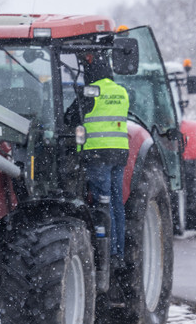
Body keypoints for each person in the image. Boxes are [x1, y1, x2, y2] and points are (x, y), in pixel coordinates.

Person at [66, 52, 130, 262]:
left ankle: (107, 250)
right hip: (119, 153)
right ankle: (118, 250)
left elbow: (70, 117)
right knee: (116, 203)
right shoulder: (121, 91)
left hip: (97, 154)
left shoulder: (92, 91)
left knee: (103, 203)